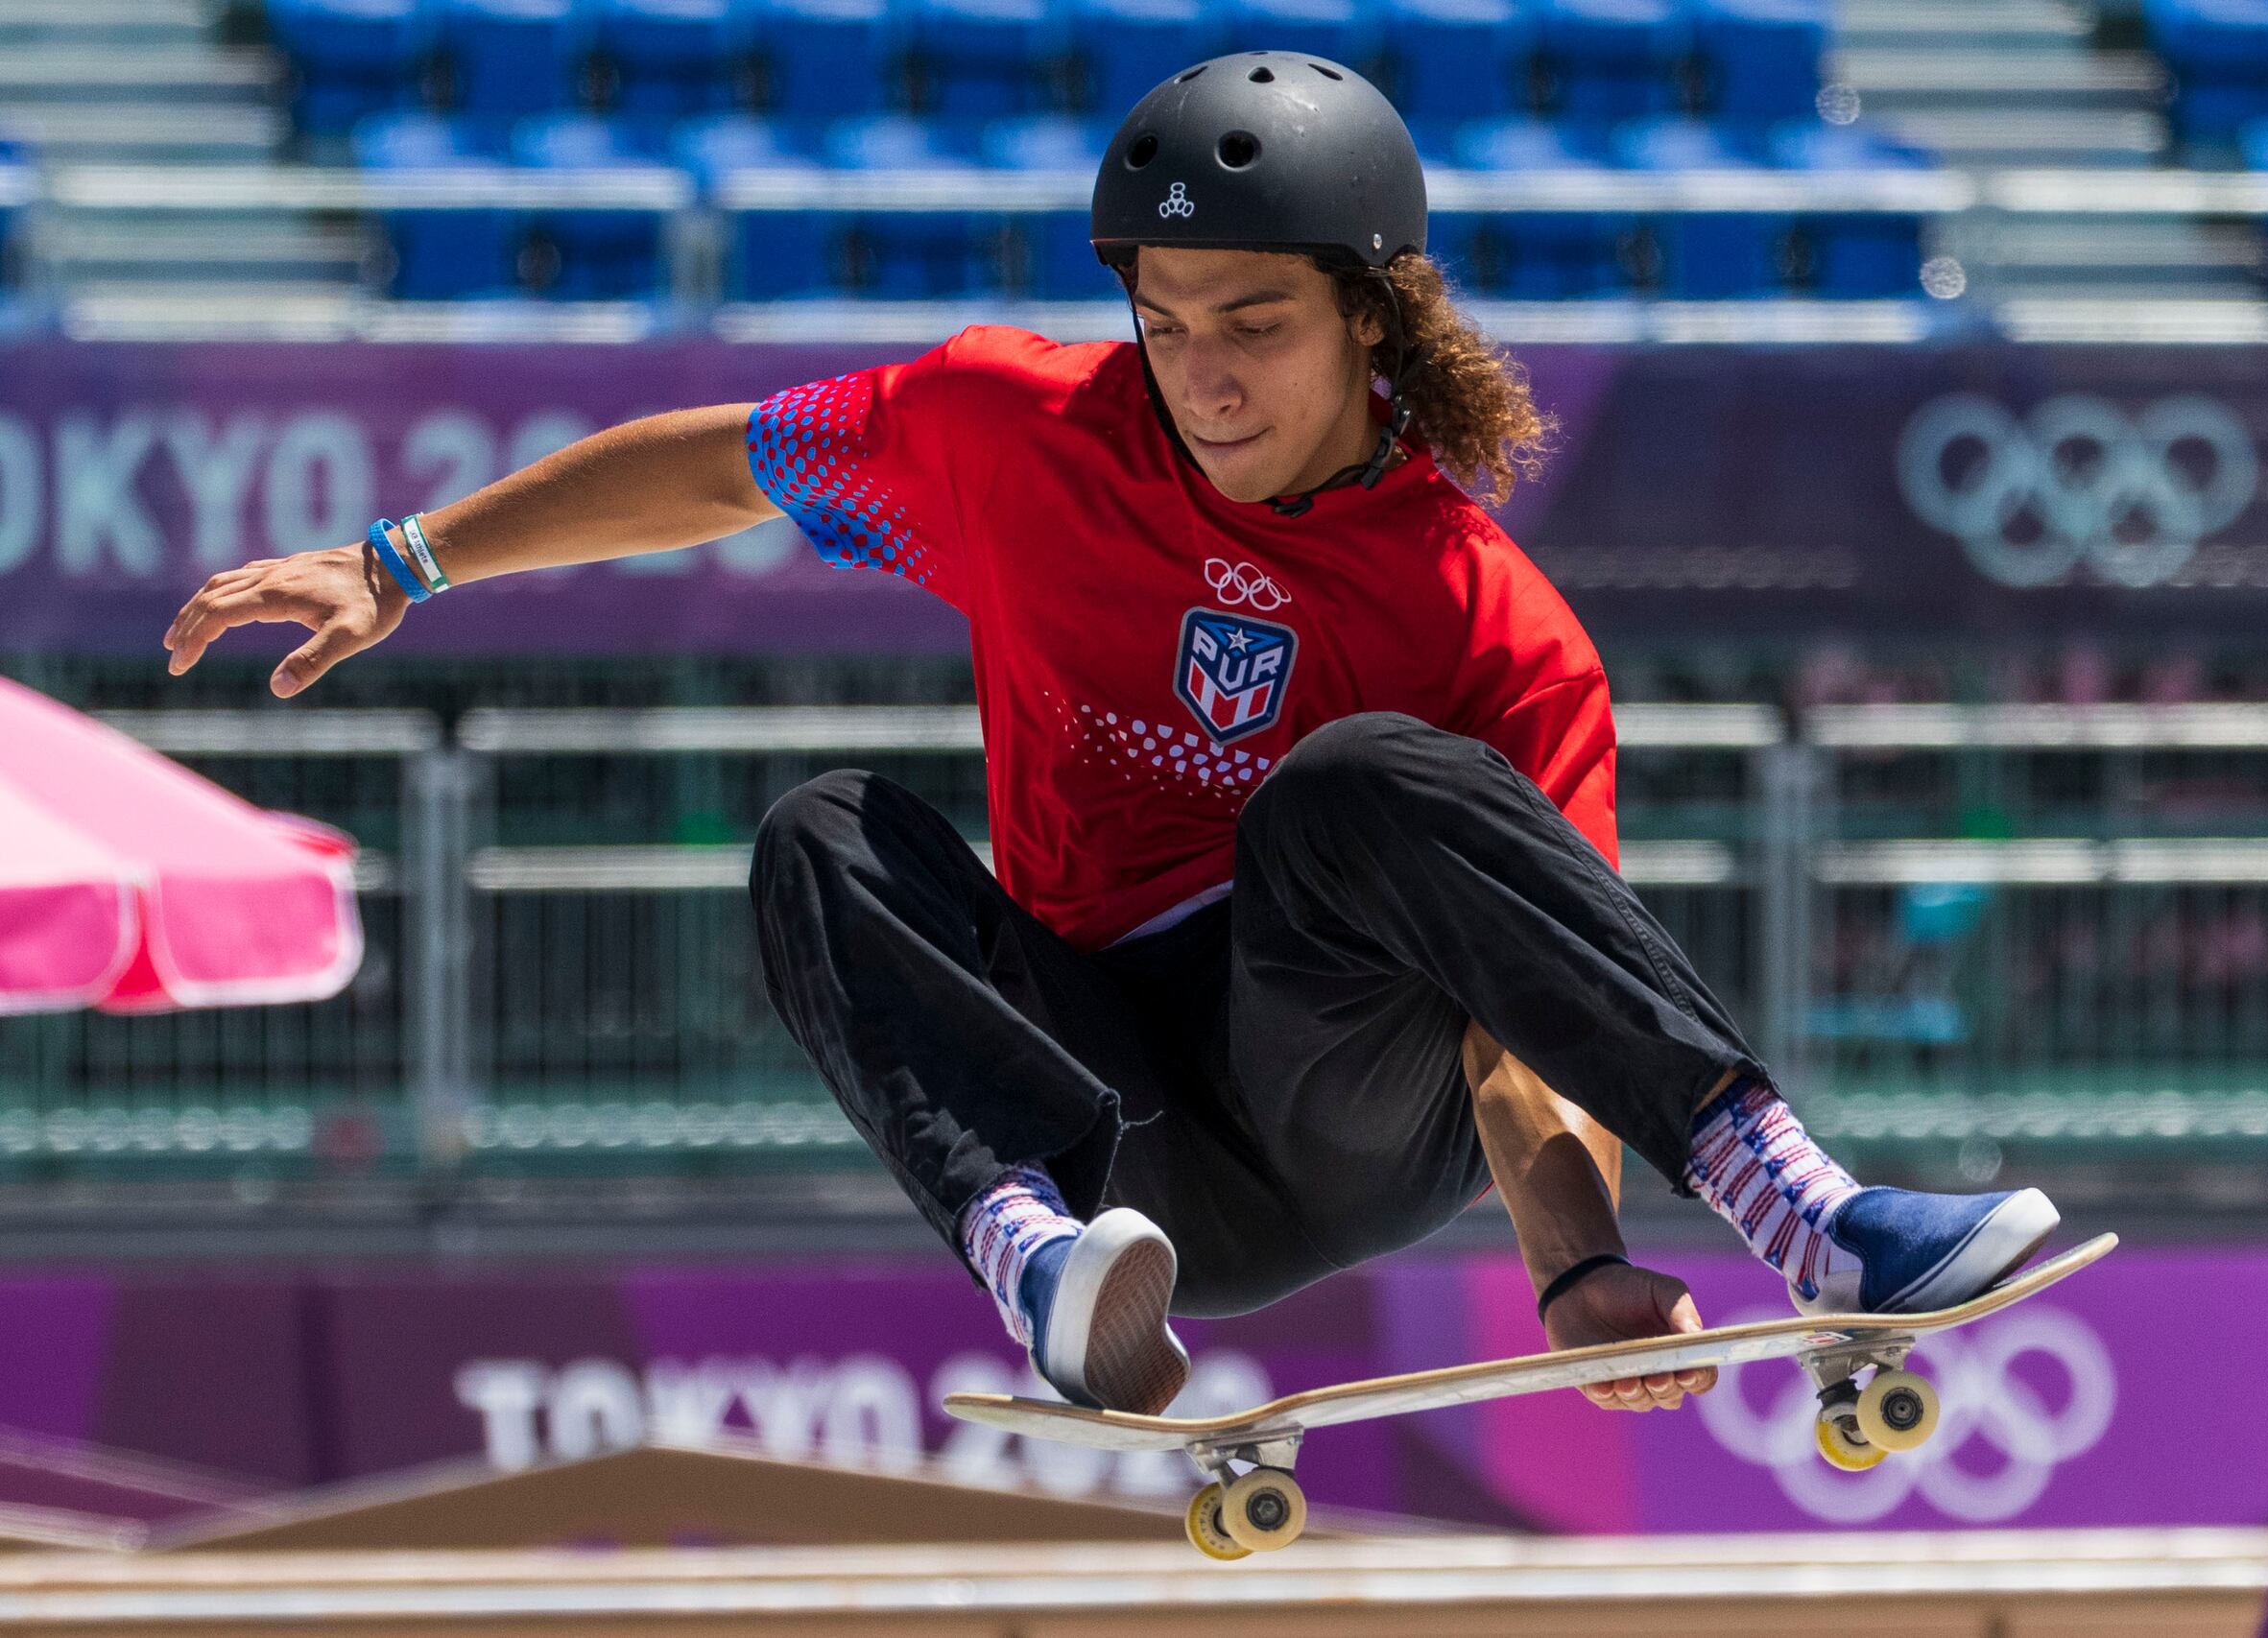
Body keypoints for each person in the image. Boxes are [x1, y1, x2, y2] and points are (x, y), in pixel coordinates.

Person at [162, 51, 2060, 1426]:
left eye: (1253, 320)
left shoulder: (1487, 619)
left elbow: (1515, 1012)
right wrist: (404, 559)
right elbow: (713, 464)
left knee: (1360, 780)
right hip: (1123, 1128)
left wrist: (1567, 1254)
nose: (1204, 372)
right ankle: (1035, 1256)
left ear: (1375, 320)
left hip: (1341, 1088)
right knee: (826, 825)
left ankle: (1795, 1205)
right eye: (1163, 322)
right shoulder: (1013, 426)